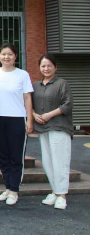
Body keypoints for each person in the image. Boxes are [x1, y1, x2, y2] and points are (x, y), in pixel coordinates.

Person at [0, 43, 34, 206]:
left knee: (16, 156)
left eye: (10, 54)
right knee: (3, 155)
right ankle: (7, 188)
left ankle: (14, 190)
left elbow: (27, 98)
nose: (6, 57)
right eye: (3, 54)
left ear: (15, 56)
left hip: (17, 118)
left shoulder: (22, 75)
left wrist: (29, 119)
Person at [32, 54, 73, 210]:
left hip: (59, 127)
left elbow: (67, 105)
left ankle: (62, 195)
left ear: (56, 67)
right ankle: (55, 192)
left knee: (60, 161)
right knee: (48, 162)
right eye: (43, 66)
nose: (46, 68)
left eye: (49, 65)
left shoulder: (62, 83)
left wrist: (49, 115)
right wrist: (34, 115)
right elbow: (29, 104)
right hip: (43, 128)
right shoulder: (36, 86)